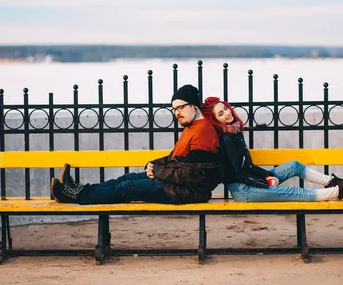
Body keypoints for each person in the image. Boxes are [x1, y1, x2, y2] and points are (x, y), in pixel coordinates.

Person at [50, 84, 223, 205]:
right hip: (175, 184)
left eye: (180, 108)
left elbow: (195, 175)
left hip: (186, 191)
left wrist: (157, 171)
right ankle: (78, 189)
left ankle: (74, 196)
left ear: (194, 106)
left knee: (127, 188)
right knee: (126, 179)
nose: (177, 113)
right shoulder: (192, 128)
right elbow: (176, 159)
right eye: (174, 110)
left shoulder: (204, 132)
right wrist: (154, 165)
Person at [200, 97, 343, 202]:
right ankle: (340, 191)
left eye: (226, 108)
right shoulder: (226, 138)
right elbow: (234, 174)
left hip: (251, 180)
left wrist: (267, 176)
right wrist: (265, 182)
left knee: (293, 166)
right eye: (221, 114)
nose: (227, 113)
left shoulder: (235, 133)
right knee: (293, 191)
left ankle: (334, 182)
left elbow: (248, 167)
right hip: (243, 190)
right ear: (216, 120)